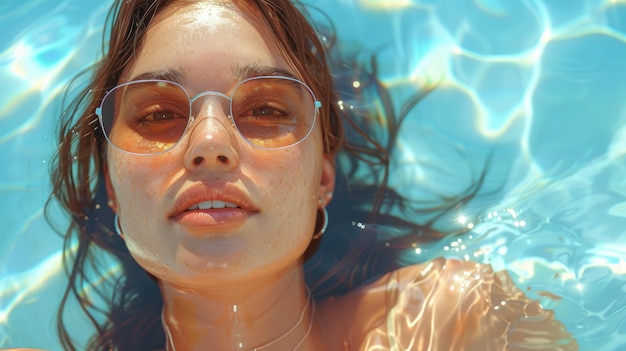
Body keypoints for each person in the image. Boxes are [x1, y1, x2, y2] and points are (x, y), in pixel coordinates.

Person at [45, 0, 579, 350]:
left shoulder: (458, 320)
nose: (209, 146)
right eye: (159, 115)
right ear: (112, 186)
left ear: (322, 177)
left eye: (267, 110)